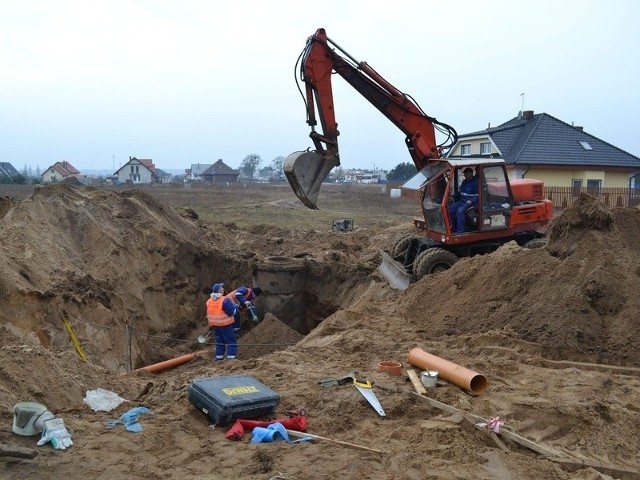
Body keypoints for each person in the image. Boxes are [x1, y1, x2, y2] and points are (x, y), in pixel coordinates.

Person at [206, 283, 239, 361]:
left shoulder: (209, 301)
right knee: (231, 341)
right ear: (219, 290)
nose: (223, 289)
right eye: (222, 288)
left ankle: (219, 358)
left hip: (215, 325)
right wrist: (236, 307)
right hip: (225, 325)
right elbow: (232, 312)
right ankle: (231, 358)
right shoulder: (224, 300)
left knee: (219, 342)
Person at [448, 167, 479, 234]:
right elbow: (460, 193)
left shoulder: (476, 182)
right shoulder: (465, 182)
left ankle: (460, 232)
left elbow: (478, 195)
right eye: (464, 174)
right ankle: (453, 229)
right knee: (450, 209)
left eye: (466, 174)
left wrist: (471, 201)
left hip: (471, 203)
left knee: (460, 211)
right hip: (462, 201)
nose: (464, 175)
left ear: (471, 174)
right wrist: (453, 197)